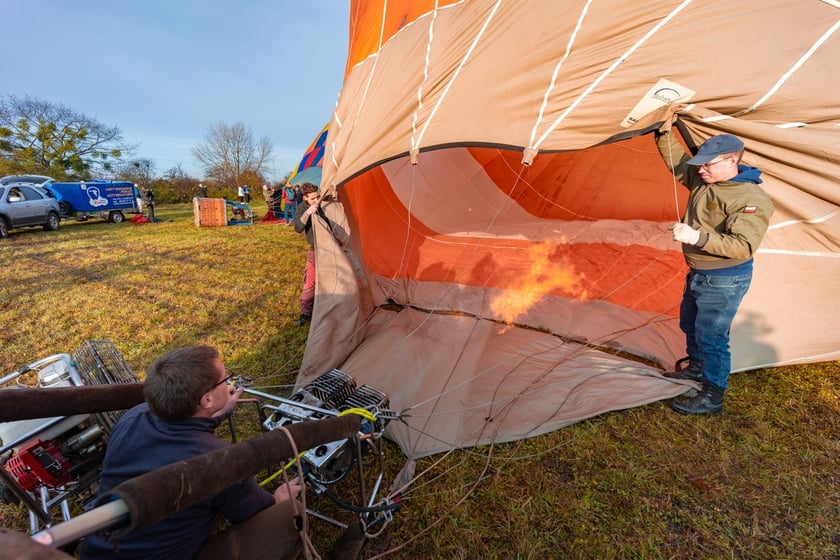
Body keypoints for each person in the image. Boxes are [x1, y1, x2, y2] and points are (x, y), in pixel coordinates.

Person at [79, 345, 302, 559]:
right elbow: (253, 511)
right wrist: (279, 499)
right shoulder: (217, 461)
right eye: (225, 380)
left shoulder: (133, 416)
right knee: (290, 515)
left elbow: (182, 429)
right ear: (206, 399)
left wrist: (219, 411)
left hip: (99, 549)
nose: (230, 383)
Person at [655, 124, 774, 415]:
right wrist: (662, 133)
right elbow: (678, 162)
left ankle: (713, 396)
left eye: (709, 164)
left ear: (732, 160)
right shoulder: (704, 179)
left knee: (712, 337)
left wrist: (697, 237)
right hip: (698, 272)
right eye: (701, 164)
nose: (702, 170)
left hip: (725, 278)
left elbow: (743, 246)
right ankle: (696, 369)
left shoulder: (751, 199)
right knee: (690, 325)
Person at [293, 183, 320, 325]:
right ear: (305, 198)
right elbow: (298, 227)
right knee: (310, 281)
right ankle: (306, 312)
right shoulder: (302, 208)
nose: (316, 201)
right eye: (312, 199)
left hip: (332, 248)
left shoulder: (324, 203)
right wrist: (308, 213)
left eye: (317, 197)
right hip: (315, 248)